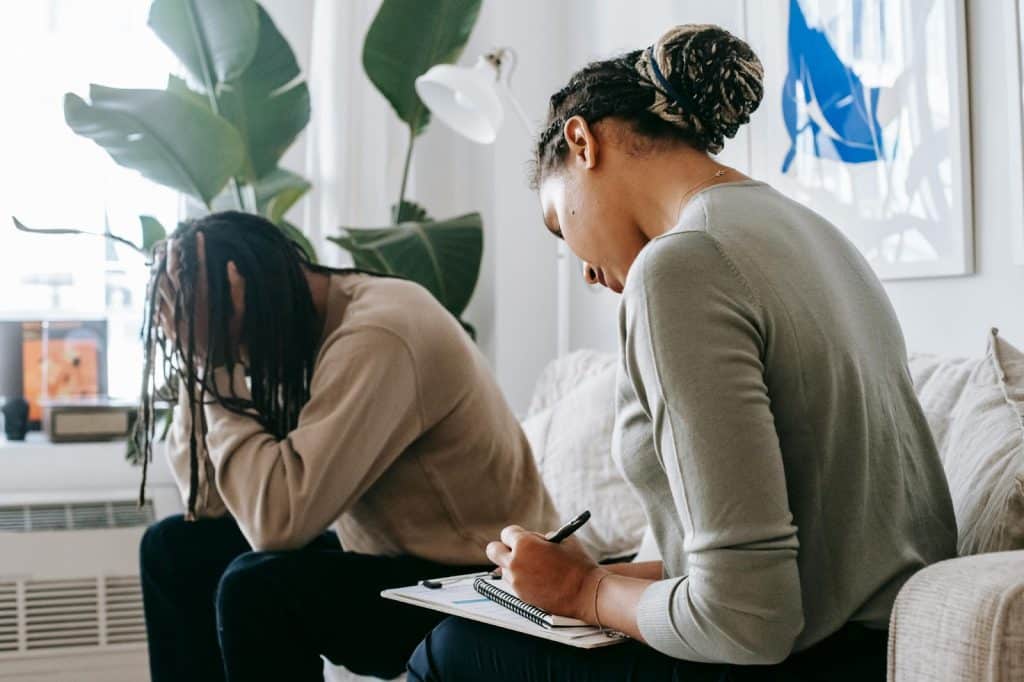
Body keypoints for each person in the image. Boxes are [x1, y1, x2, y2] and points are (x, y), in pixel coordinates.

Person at [407, 24, 957, 681]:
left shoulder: (681, 266)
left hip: (803, 662)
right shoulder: (816, 235)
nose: (581, 270)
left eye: (560, 226)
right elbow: (784, 547)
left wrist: (583, 594)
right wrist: (580, 575)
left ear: (581, 142)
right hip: (884, 644)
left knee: (448, 653)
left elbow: (746, 619)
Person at [136, 211, 559, 681]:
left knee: (257, 588)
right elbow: (207, 503)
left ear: (254, 290)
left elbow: (276, 527)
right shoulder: (289, 338)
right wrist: (199, 364)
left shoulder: (379, 333)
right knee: (172, 547)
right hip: (393, 565)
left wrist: (215, 362)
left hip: (485, 587)